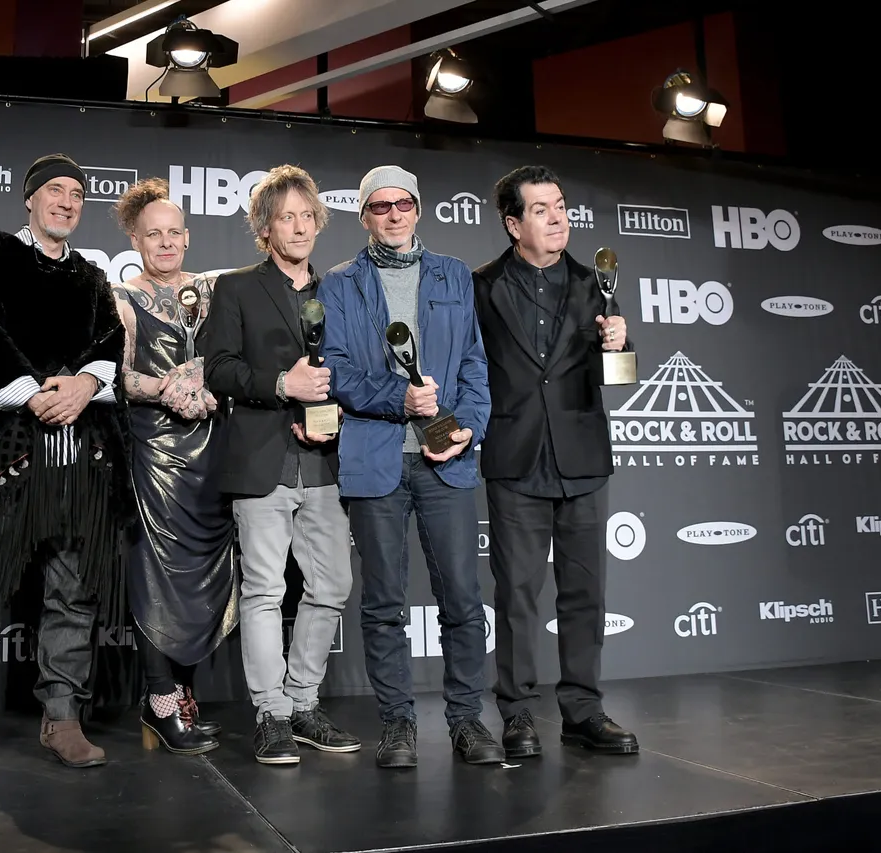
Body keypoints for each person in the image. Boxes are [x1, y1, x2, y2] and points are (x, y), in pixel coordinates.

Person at [0, 153, 134, 781]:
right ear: (30, 199)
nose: (67, 202)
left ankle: (62, 718)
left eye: (77, 194)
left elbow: (109, 348)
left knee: (74, 595)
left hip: (77, 461)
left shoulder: (92, 277)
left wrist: (84, 388)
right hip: (4, 459)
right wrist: (36, 392)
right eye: (56, 192)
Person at [318, 165, 504, 768]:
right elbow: (337, 373)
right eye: (380, 206)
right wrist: (397, 398)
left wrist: (467, 427)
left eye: (404, 204)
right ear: (364, 215)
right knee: (383, 603)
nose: (394, 215)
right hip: (375, 460)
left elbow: (475, 366)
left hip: (444, 459)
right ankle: (397, 723)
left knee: (462, 598)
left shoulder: (454, 274)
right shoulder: (341, 283)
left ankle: (467, 722)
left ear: (418, 209)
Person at [471, 164, 638, 757]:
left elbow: (620, 366)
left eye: (561, 205)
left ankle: (583, 711)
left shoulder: (598, 285)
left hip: (583, 457)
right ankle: (517, 713)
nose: (557, 217)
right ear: (514, 224)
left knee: (585, 594)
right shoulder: (480, 287)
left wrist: (622, 342)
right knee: (516, 594)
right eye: (540, 209)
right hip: (516, 458)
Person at [199, 164, 361, 766]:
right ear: (264, 229)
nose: (298, 226)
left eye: (306, 215)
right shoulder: (237, 287)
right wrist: (279, 383)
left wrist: (340, 407)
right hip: (261, 460)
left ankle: (302, 701)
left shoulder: (341, 290)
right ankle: (271, 714)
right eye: (284, 217)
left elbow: (356, 369)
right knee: (265, 591)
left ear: (319, 222)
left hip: (325, 461)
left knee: (333, 585)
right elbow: (217, 369)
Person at [109, 177, 237, 756]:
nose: (165, 243)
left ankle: (181, 700)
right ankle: (161, 701)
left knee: (202, 580)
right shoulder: (122, 297)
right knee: (157, 576)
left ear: (187, 237)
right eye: (152, 234)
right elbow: (113, 376)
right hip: (156, 452)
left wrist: (209, 378)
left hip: (214, 451)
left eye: (174, 233)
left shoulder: (214, 288)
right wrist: (166, 386)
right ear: (135, 240)